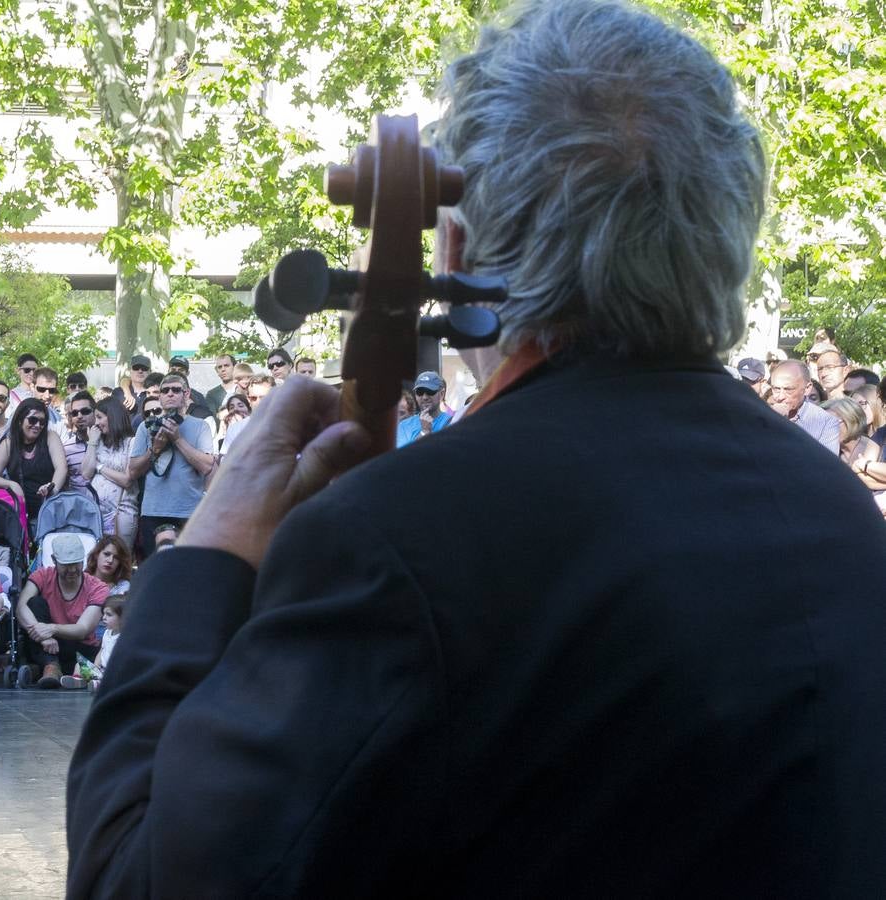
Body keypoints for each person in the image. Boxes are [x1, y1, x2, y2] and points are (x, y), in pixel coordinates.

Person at [66, 1, 886, 893]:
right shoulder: (841, 520)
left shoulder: (394, 546)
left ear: (454, 243)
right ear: (724, 242)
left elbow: (134, 880)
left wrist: (211, 555)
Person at [128, 374, 214, 556]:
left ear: (186, 393)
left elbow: (207, 467)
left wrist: (177, 439)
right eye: (165, 391)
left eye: (176, 390)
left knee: (189, 571)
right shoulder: (146, 426)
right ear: (159, 396)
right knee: (156, 571)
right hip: (154, 511)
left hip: (190, 512)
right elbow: (133, 471)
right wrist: (155, 450)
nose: (170, 394)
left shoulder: (201, 426)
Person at [16, 533, 106, 688]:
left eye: (76, 564)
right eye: (65, 565)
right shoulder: (43, 575)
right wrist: (42, 636)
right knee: (35, 603)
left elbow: (83, 630)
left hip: (78, 646)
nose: (71, 570)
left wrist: (50, 629)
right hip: (46, 644)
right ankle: (51, 666)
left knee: (84, 659)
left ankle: (47, 668)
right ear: (54, 560)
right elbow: (21, 607)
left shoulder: (97, 587)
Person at [0, 398, 68, 527]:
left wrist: (53, 488)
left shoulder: (50, 437)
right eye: (32, 420)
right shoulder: (8, 444)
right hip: (21, 515)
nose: (37, 425)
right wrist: (11, 484)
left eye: (42, 422)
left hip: (51, 512)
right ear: (20, 420)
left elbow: (61, 467)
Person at [85, 397, 138, 546]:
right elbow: (86, 473)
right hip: (95, 515)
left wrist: (100, 467)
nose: (96, 422)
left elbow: (127, 480)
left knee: (119, 561)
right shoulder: (98, 442)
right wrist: (92, 442)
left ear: (113, 416)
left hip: (120, 515)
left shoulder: (131, 443)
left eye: (100, 417)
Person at [767, 359, 841, 454]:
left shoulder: (826, 423)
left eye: (788, 389)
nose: (780, 397)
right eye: (776, 389)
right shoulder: (762, 416)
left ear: (807, 388)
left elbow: (826, 466)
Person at [69, 595, 124, 692]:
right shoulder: (107, 633)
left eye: (109, 615)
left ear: (122, 618)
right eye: (103, 614)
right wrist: (96, 666)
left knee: (112, 677)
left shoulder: (124, 636)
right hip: (102, 670)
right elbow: (102, 650)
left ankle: (100, 684)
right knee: (79, 665)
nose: (104, 618)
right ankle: (78, 680)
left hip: (113, 672)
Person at [822, 397, 880, 468]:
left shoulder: (873, 449)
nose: (824, 428)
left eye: (831, 423)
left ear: (851, 421)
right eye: (822, 423)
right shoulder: (829, 451)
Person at [62, 391, 98, 494]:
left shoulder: (108, 442)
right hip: (79, 506)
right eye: (74, 413)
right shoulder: (66, 448)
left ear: (95, 412)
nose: (79, 416)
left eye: (85, 411)